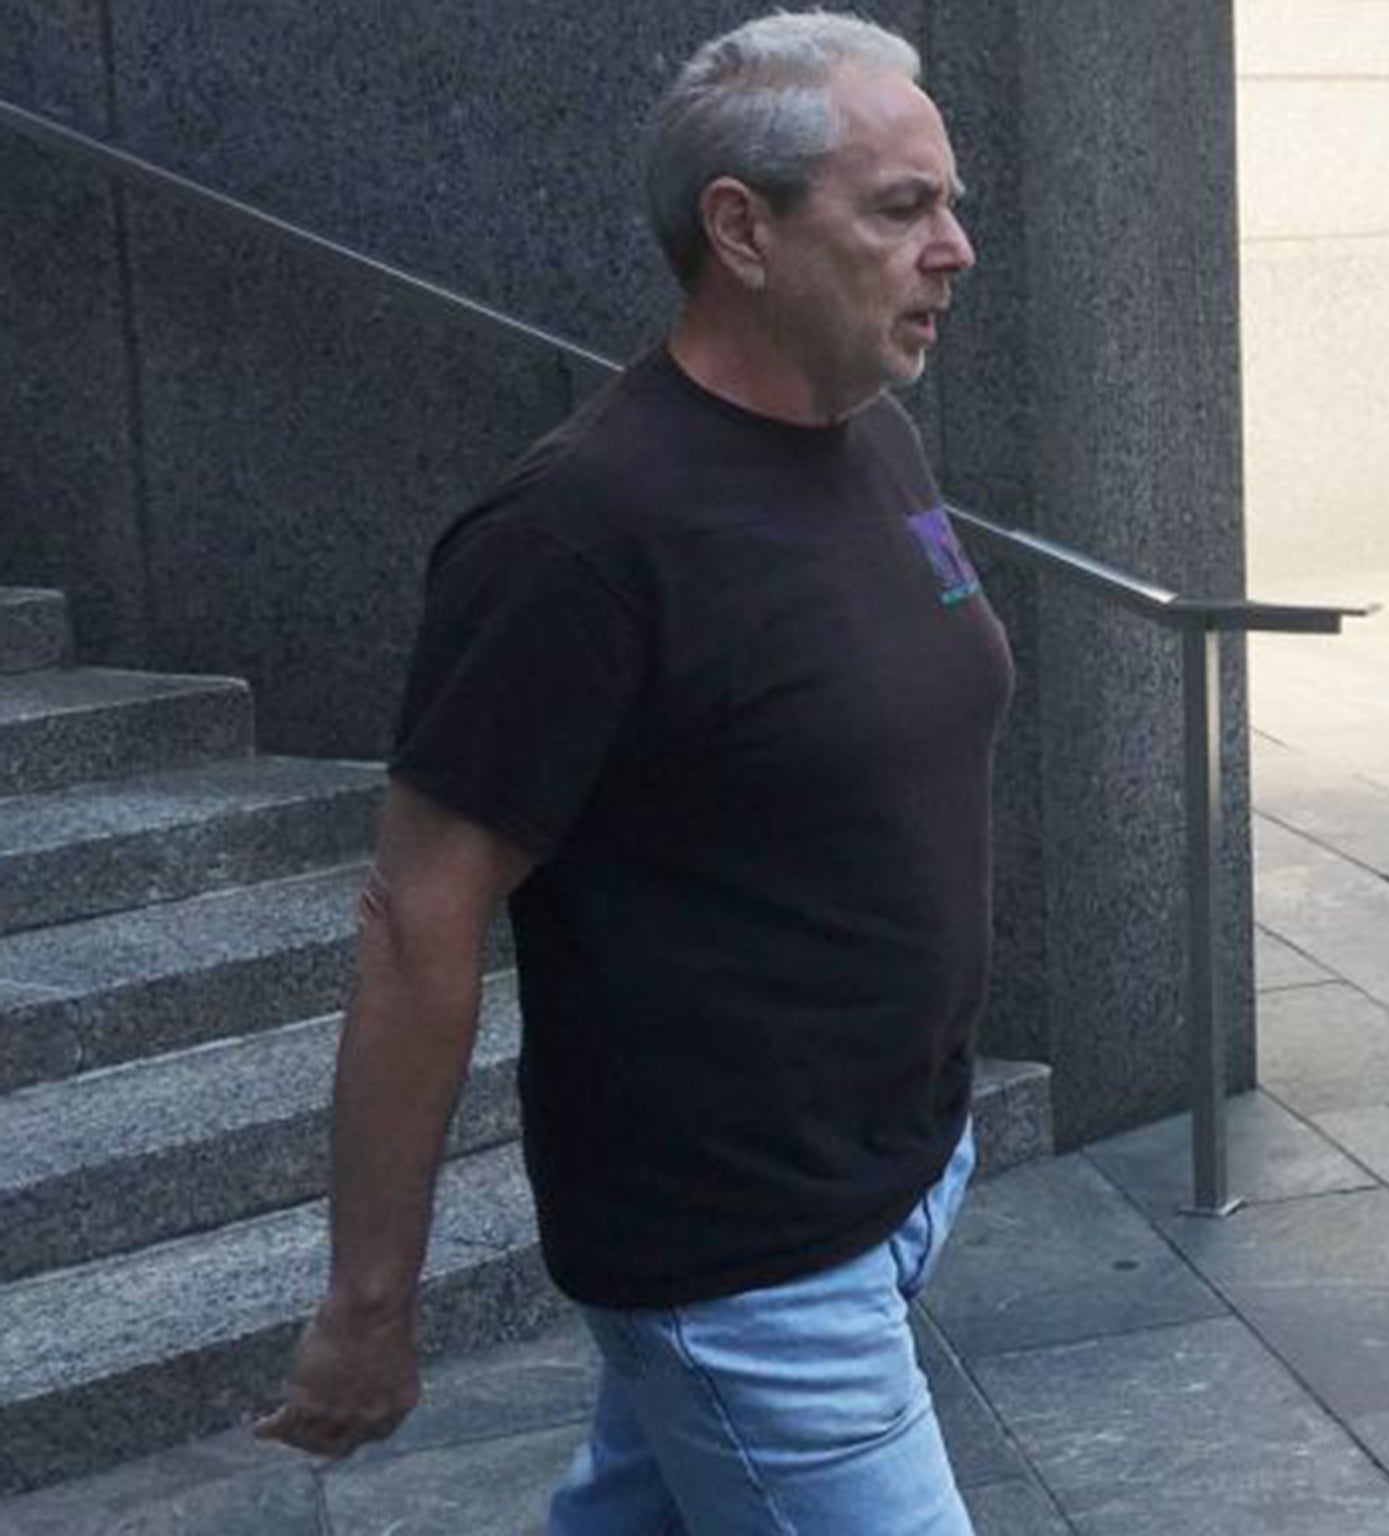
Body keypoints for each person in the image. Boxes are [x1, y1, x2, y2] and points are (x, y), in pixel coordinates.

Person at [254, 12, 1005, 1533]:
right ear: (742, 228)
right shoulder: (576, 536)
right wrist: (369, 1300)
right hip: (746, 1251)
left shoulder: (874, 440)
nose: (956, 250)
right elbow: (418, 914)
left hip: (905, 1166)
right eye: (901, 207)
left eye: (953, 202)